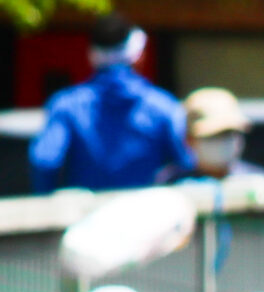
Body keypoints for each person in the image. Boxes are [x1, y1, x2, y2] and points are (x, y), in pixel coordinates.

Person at [28, 14, 194, 193]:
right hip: (146, 216)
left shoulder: (67, 105)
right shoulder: (163, 107)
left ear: (92, 55)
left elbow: (45, 160)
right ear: (137, 56)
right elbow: (185, 164)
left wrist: (48, 206)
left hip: (87, 218)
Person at [173, 88, 264, 181]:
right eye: (213, 136)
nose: (223, 141)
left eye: (228, 133)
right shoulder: (173, 184)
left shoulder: (258, 181)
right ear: (189, 140)